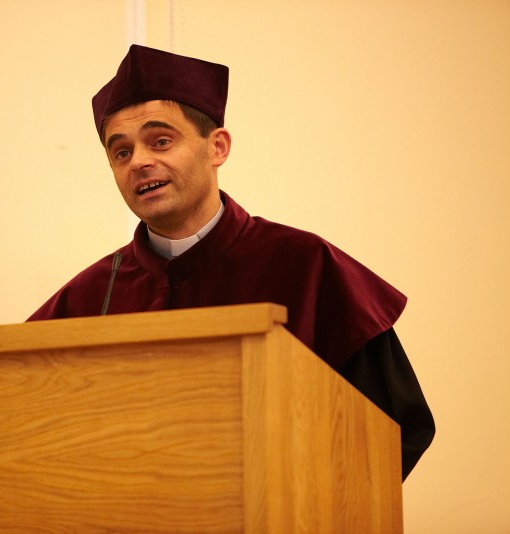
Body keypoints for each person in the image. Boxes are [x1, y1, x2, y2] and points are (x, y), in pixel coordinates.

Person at [28, 44, 434, 480]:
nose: (140, 162)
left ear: (217, 147)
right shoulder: (86, 299)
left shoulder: (308, 267)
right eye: (121, 152)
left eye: (160, 141)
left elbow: (394, 432)